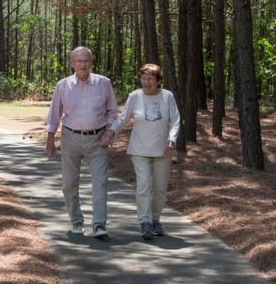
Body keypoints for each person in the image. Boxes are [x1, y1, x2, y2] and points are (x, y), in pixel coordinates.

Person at [100, 63, 180, 240]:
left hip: (163, 150)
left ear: (158, 80)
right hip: (139, 149)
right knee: (144, 184)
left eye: (150, 78)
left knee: (159, 188)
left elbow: (175, 120)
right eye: (143, 78)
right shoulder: (135, 96)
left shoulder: (167, 96)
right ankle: (144, 222)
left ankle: (155, 219)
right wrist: (111, 132)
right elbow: (123, 118)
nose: (146, 82)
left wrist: (172, 139)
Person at [45, 46, 118, 238]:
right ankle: (76, 221)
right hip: (70, 138)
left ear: (91, 63)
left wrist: (110, 131)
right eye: (78, 61)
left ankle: (99, 225)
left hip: (98, 139)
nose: (82, 64)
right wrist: (50, 139)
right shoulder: (63, 85)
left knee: (100, 183)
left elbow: (112, 111)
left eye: (86, 60)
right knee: (69, 183)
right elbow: (54, 114)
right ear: (72, 64)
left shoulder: (104, 83)